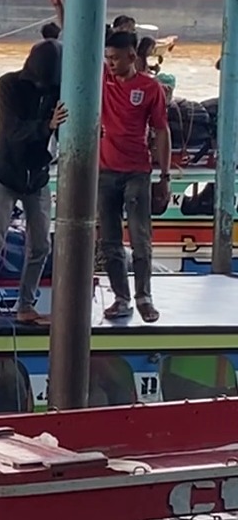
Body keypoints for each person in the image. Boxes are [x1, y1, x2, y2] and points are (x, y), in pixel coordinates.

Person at [0, 39, 67, 330]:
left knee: (40, 246)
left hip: (37, 176)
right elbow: (11, 130)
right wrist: (46, 125)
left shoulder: (57, 89)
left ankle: (26, 306)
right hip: (6, 174)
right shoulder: (7, 85)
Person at [99, 30, 171, 322]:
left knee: (141, 238)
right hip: (104, 172)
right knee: (110, 241)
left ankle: (144, 297)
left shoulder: (150, 88)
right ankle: (121, 297)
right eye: (107, 58)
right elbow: (78, 44)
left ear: (132, 57)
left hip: (137, 172)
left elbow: (161, 130)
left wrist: (165, 176)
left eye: (116, 58)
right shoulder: (103, 79)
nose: (111, 63)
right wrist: (62, 10)